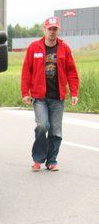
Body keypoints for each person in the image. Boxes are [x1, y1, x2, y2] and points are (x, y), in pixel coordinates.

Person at [21, 16, 80, 171]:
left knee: (56, 131)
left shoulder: (64, 48)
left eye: (55, 29)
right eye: (50, 29)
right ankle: (38, 159)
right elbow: (26, 71)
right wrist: (25, 92)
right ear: (44, 29)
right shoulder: (34, 47)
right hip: (40, 97)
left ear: (58, 30)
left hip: (57, 97)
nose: (52, 32)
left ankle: (52, 160)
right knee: (42, 126)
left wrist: (74, 92)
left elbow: (72, 72)